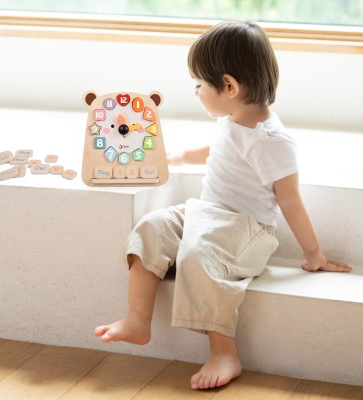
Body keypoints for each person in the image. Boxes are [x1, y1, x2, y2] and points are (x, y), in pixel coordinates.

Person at [95, 19, 352, 390]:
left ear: (229, 86)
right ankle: (138, 318)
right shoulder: (233, 118)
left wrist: (314, 255)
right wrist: (179, 157)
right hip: (206, 213)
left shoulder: (271, 141)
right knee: (151, 226)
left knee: (198, 254)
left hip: (246, 229)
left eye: (199, 85)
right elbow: (219, 149)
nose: (196, 91)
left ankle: (224, 351)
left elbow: (291, 201)